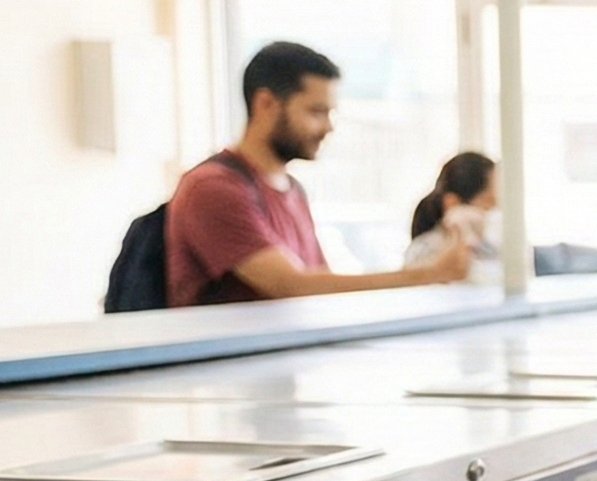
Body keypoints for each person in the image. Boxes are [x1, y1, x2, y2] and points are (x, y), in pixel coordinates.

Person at [166, 40, 470, 306]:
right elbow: (292, 286)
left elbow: (318, 283)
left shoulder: (291, 189)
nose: (328, 127)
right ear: (266, 103)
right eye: (316, 112)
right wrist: (427, 274)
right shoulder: (213, 188)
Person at [404, 152, 499, 283]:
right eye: (487, 205)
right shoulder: (424, 251)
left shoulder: (489, 249)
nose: (493, 214)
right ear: (452, 203)